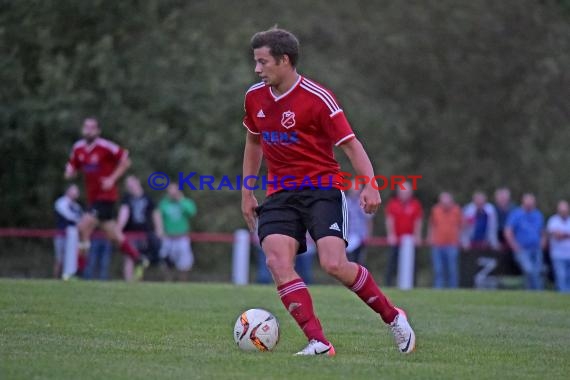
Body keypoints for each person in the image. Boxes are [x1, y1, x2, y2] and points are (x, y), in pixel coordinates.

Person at [240, 28, 415, 356]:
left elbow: (351, 144)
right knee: (277, 261)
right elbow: (253, 142)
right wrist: (247, 192)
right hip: (280, 193)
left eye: (263, 62)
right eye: (256, 62)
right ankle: (318, 341)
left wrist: (370, 183)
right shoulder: (254, 97)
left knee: (334, 264)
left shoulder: (317, 98)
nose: (257, 69)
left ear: (284, 60)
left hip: (322, 189)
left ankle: (393, 316)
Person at [64, 117, 148, 280]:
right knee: (114, 236)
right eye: (86, 127)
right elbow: (72, 166)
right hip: (92, 198)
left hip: (106, 197)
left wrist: (111, 179)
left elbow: (125, 160)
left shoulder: (105, 146)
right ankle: (139, 259)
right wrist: (69, 171)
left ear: (98, 131)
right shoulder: (78, 148)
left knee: (83, 226)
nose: (89, 130)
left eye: (92, 128)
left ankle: (79, 271)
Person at [117, 175, 161, 281]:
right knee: (129, 257)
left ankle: (137, 279)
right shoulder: (127, 199)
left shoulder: (148, 198)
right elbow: (124, 213)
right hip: (130, 233)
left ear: (137, 181)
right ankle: (128, 280)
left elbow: (155, 214)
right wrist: (118, 228)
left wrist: (159, 229)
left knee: (142, 257)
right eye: (127, 184)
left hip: (145, 233)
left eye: (131, 182)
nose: (130, 186)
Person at [384, 182, 423, 287]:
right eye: (402, 192)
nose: (404, 194)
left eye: (407, 192)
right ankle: (388, 285)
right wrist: (391, 235)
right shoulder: (393, 203)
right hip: (396, 240)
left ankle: (413, 286)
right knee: (392, 263)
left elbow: (418, 221)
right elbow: (389, 220)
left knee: (413, 264)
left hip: (410, 240)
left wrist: (417, 236)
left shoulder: (415, 204)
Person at [156, 183, 197, 282]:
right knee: (164, 261)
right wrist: (159, 229)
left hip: (182, 238)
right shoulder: (164, 203)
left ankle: (182, 283)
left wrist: (181, 201)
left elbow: (192, 212)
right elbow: (157, 215)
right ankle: (168, 281)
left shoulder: (185, 202)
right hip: (168, 237)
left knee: (184, 264)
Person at [504, 193, 545, 290]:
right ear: (523, 202)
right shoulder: (516, 214)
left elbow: (543, 232)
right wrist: (514, 245)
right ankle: (533, 291)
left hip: (536, 248)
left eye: (532, 202)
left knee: (538, 271)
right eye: (528, 202)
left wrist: (543, 243)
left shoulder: (538, 214)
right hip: (522, 249)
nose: (530, 204)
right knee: (529, 270)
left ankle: (537, 293)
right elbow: (508, 231)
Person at [427, 192, 463, 288]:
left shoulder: (457, 210)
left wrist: (461, 239)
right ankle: (438, 289)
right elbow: (431, 225)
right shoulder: (435, 210)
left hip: (452, 244)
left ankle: (453, 290)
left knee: (452, 270)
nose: (445, 203)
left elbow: (461, 226)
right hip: (437, 244)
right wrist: (430, 238)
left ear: (451, 201)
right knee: (438, 270)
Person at [53, 184, 82, 280]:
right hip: (62, 235)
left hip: (73, 236)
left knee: (70, 258)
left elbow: (80, 219)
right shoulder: (61, 202)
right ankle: (55, 279)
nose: (76, 193)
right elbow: (70, 216)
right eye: (74, 190)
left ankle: (66, 277)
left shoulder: (77, 206)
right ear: (68, 191)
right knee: (59, 258)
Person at [346, 182, 374, 265]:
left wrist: (368, 236)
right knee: (348, 262)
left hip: (361, 237)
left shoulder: (364, 203)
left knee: (359, 262)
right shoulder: (346, 202)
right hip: (348, 237)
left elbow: (369, 220)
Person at [546, 200, 570, 292]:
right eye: (561, 211)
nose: (563, 212)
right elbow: (556, 235)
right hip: (558, 255)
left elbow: (559, 234)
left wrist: (562, 234)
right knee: (561, 276)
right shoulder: (553, 220)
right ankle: (563, 294)